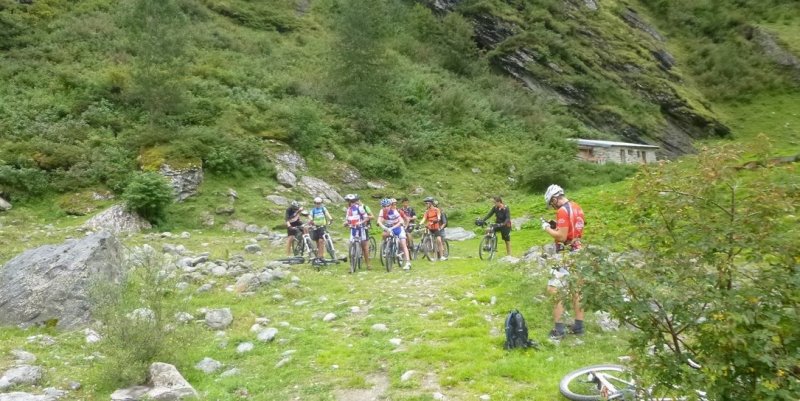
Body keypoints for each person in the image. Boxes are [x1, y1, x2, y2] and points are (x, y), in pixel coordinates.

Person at [542, 184, 586, 339]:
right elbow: (573, 228)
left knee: (553, 289)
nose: (552, 207)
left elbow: (561, 236)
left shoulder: (562, 210)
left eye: (551, 203)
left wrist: (547, 228)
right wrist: (557, 226)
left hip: (565, 253)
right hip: (578, 249)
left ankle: (558, 330)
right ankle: (579, 326)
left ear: (555, 198)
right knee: (577, 288)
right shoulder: (577, 207)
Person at [378, 198, 412, 270]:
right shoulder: (382, 211)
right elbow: (379, 221)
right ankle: (386, 248)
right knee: (384, 235)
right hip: (388, 228)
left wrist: (393, 227)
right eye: (383, 206)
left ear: (390, 206)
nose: (385, 208)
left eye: (387, 206)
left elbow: (401, 221)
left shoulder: (395, 211)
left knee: (403, 243)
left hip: (398, 228)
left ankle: (408, 262)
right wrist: (384, 227)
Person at [344, 194, 372, 270]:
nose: (349, 203)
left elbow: (366, 218)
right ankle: (352, 265)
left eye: (350, 201)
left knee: (364, 247)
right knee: (351, 246)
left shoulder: (360, 208)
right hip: (353, 229)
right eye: (348, 201)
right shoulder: (348, 210)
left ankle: (368, 264)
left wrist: (361, 222)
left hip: (362, 229)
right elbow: (347, 219)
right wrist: (346, 223)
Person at [421, 197, 446, 261]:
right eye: (425, 203)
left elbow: (439, 217)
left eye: (427, 203)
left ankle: (441, 256)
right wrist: (420, 223)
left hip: (435, 227)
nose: (426, 204)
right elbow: (424, 218)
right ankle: (431, 256)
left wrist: (437, 220)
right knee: (429, 241)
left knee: (439, 240)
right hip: (429, 227)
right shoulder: (427, 211)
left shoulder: (436, 209)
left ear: (431, 203)